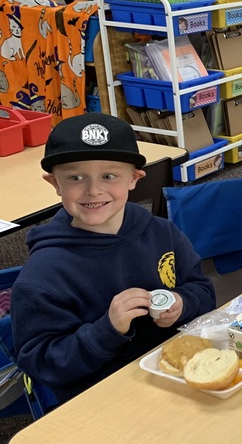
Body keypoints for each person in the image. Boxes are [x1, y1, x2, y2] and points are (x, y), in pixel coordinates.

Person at [11, 113, 216, 404]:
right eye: (75, 177)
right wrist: (106, 330)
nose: (93, 190)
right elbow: (42, 362)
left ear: (134, 179)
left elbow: (203, 290)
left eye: (109, 176)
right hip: (102, 399)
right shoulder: (43, 276)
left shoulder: (161, 232)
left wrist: (183, 304)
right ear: (54, 183)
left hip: (176, 378)